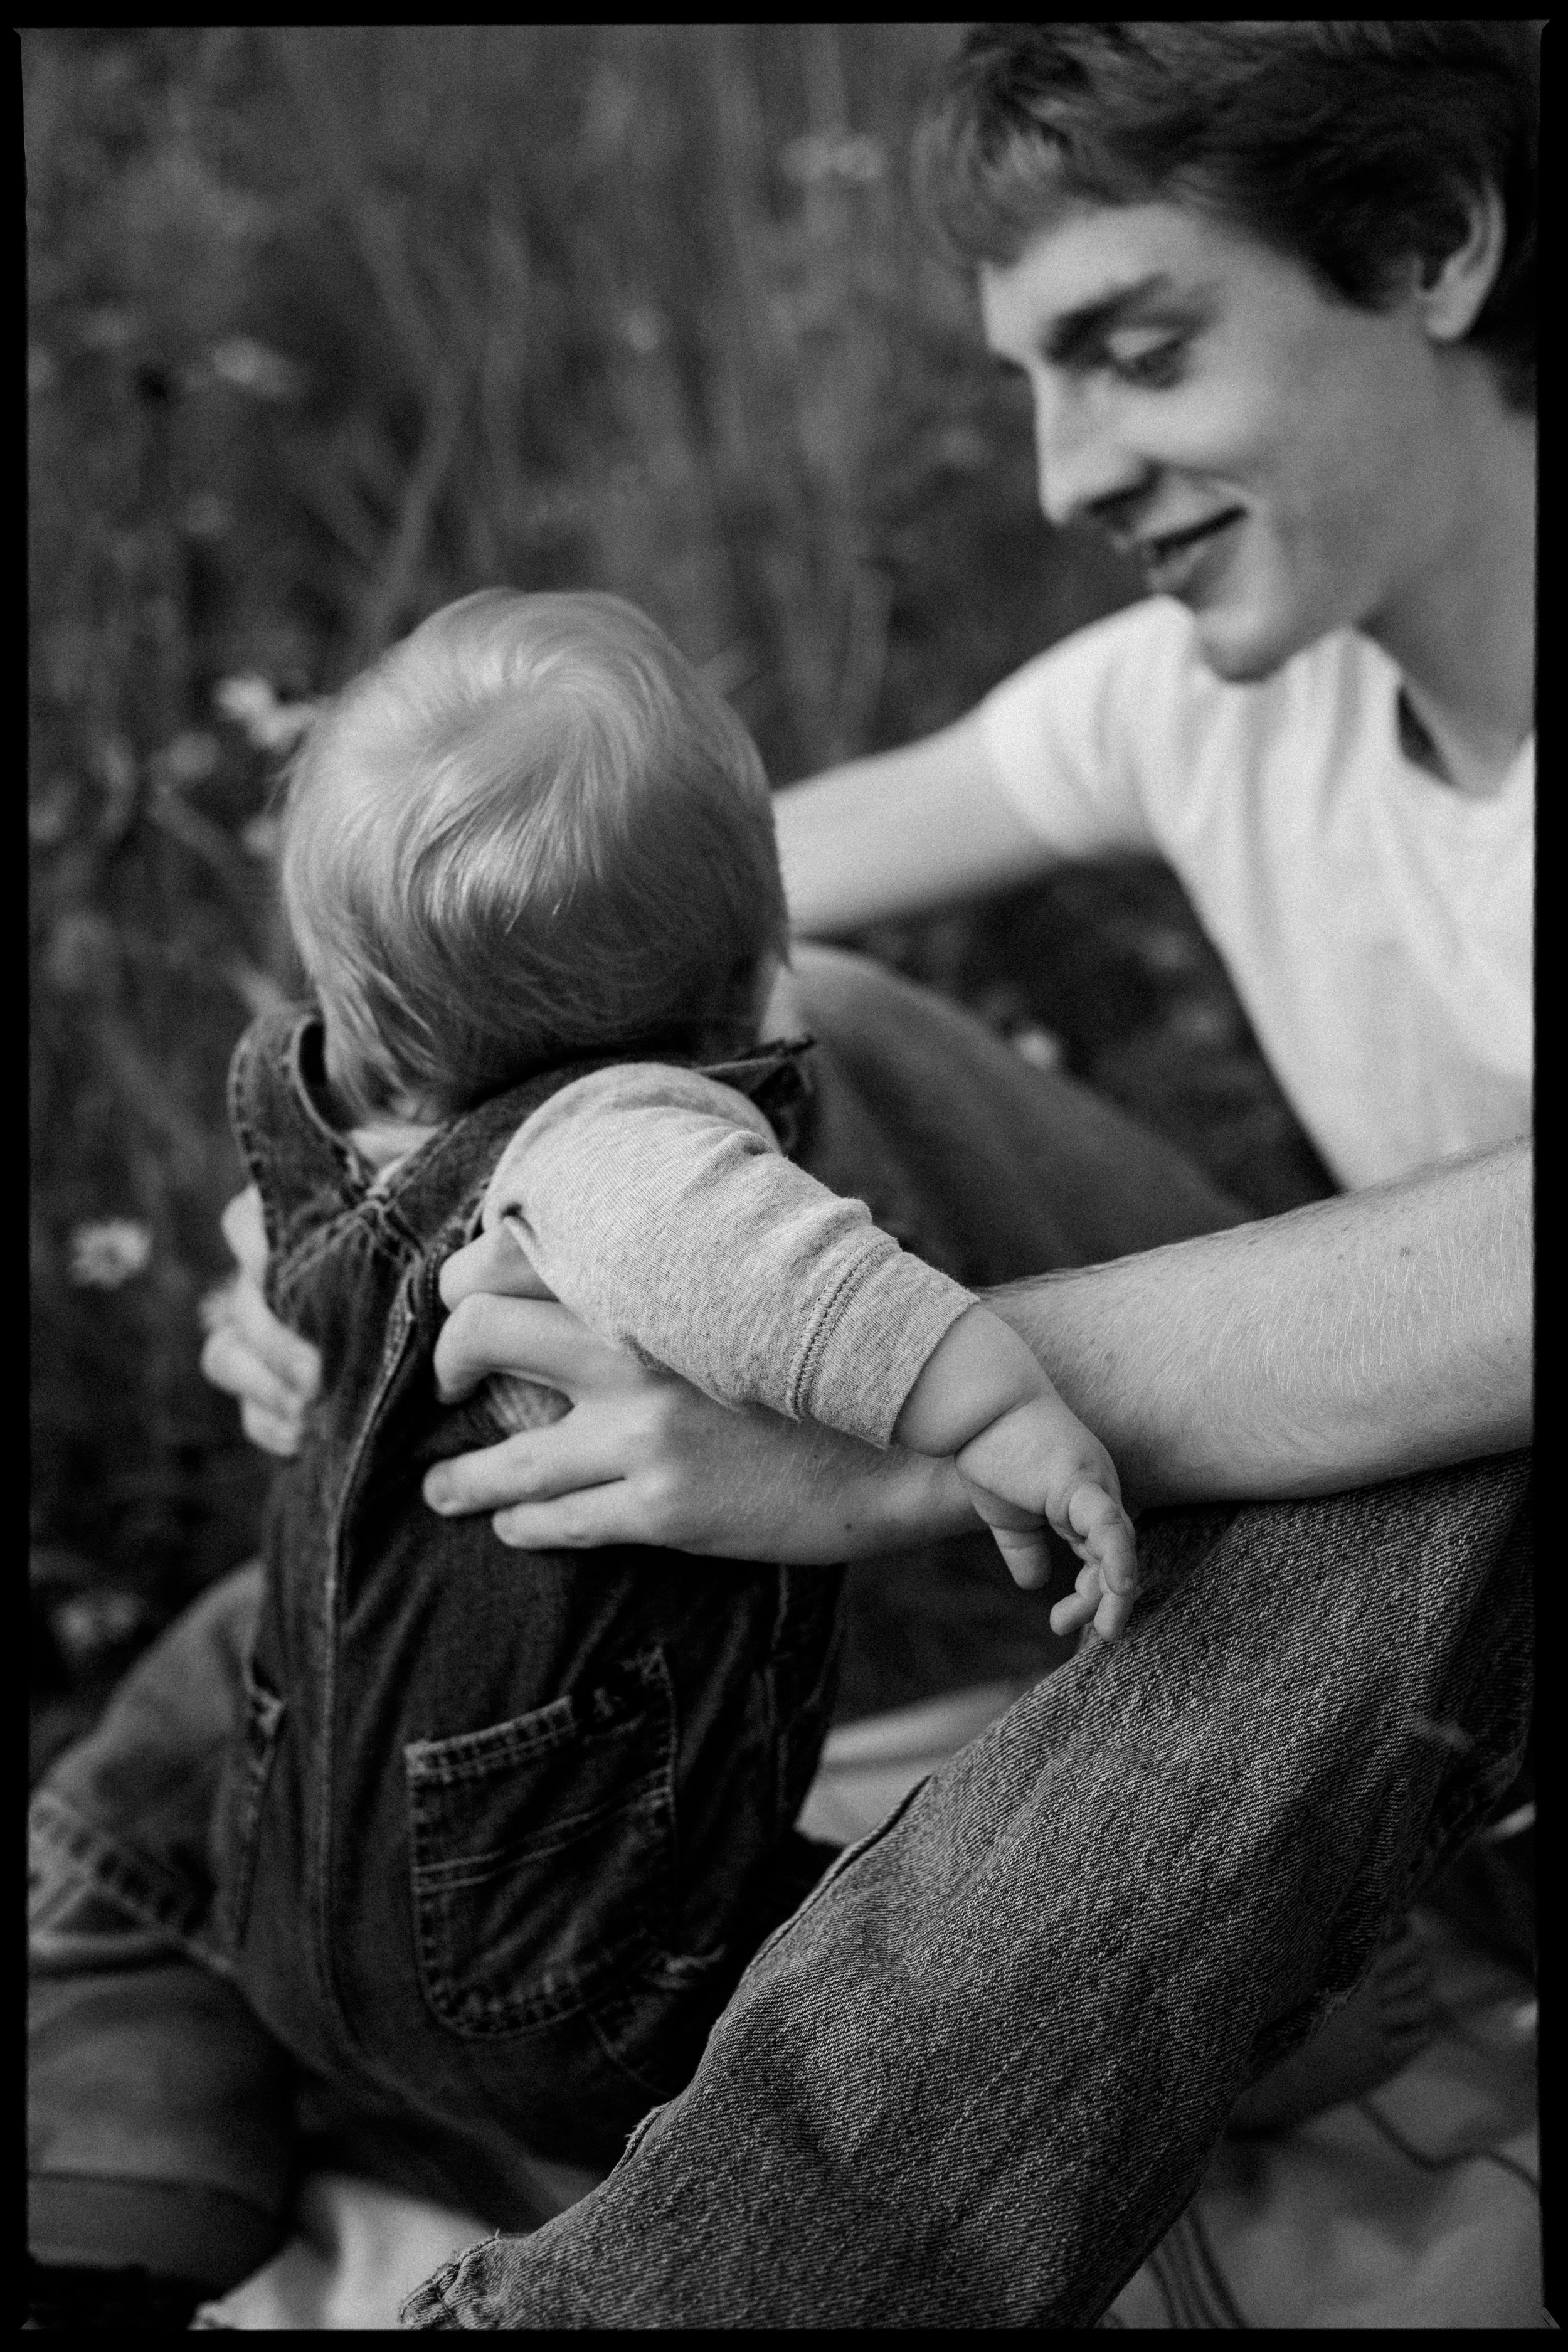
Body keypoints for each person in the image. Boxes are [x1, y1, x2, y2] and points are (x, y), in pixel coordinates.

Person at [33, 18, 1534, 2330]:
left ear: (1431, 246)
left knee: (1452, 1446)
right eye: (1032, 378)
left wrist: (903, 1432)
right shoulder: (1220, 693)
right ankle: (173, 1904)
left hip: (1477, 1583)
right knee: (733, 1049)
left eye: (1133, 353)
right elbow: (646, 922)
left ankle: (675, 2294)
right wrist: (390, 1171)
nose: (1059, 471)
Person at [213, 581, 1150, 2197]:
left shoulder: (313, 1144)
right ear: (752, 960)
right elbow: (786, 1278)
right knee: (936, 2022)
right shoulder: (623, 1143)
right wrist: (995, 1410)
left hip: (287, 1879)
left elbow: (272, 1242)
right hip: (566, 1949)